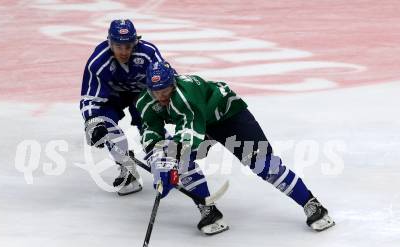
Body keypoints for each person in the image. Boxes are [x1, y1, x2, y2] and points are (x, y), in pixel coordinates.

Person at [136, 61, 335, 235]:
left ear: (174, 82)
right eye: (156, 91)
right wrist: (159, 163)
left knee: (264, 166)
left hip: (229, 117)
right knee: (179, 161)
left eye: (165, 90)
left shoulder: (185, 95)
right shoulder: (146, 102)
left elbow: (190, 132)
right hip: (201, 123)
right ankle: (209, 211)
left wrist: (171, 161)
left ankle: (312, 204)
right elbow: (150, 132)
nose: (161, 96)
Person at [80, 19, 168, 195]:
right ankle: (127, 169)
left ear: (135, 42)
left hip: (142, 94)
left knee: (149, 123)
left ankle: (166, 159)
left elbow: (167, 81)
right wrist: (94, 123)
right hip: (112, 96)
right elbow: (90, 97)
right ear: (109, 43)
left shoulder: (148, 53)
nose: (124, 51)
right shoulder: (98, 61)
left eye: (128, 46)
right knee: (106, 124)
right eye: (119, 46)